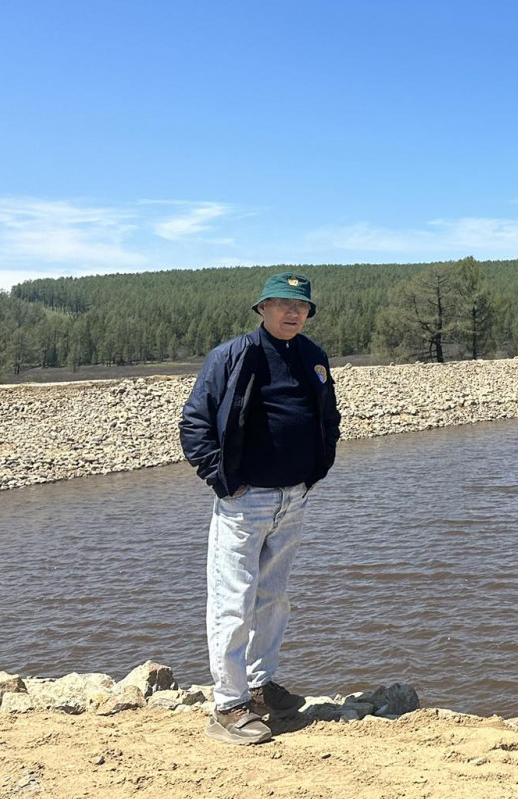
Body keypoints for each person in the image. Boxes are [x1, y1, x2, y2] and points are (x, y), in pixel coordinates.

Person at [179, 272, 342, 745]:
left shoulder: (313, 357)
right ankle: (228, 706)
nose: (293, 313)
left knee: (274, 598)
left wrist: (315, 470)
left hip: (293, 497)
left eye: (301, 307)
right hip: (243, 500)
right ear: (263, 308)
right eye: (282, 305)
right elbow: (195, 423)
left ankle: (260, 685)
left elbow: (326, 416)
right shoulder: (231, 356)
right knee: (233, 602)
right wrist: (224, 482)